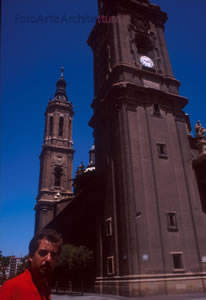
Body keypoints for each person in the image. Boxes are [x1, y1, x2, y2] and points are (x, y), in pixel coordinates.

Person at [0, 228, 63, 300]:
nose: (49, 259)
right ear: (31, 255)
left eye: (53, 255)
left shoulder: (45, 290)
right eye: (43, 253)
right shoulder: (10, 289)